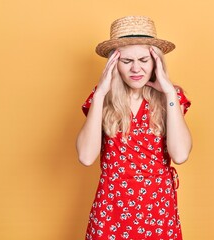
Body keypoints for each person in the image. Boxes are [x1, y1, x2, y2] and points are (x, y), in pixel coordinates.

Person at [76, 15, 192, 240]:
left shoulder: (172, 97)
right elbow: (86, 157)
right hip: (111, 209)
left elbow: (180, 154)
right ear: (114, 64)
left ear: (155, 61)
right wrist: (100, 93)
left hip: (158, 208)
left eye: (143, 60)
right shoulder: (102, 98)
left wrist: (168, 92)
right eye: (127, 61)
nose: (136, 69)